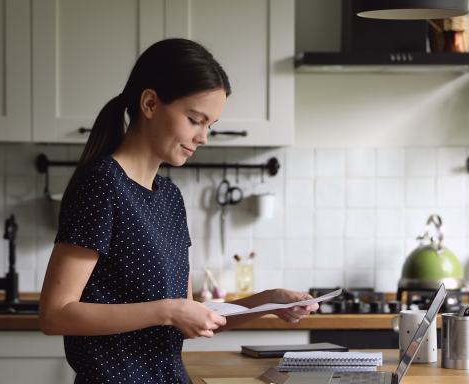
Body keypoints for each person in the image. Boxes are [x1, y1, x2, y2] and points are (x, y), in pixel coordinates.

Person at [38, 38, 318, 384]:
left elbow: (189, 318)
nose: (203, 137)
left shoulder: (169, 197)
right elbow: (55, 314)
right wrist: (167, 311)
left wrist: (268, 302)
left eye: (210, 125)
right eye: (195, 119)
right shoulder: (102, 184)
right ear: (150, 103)